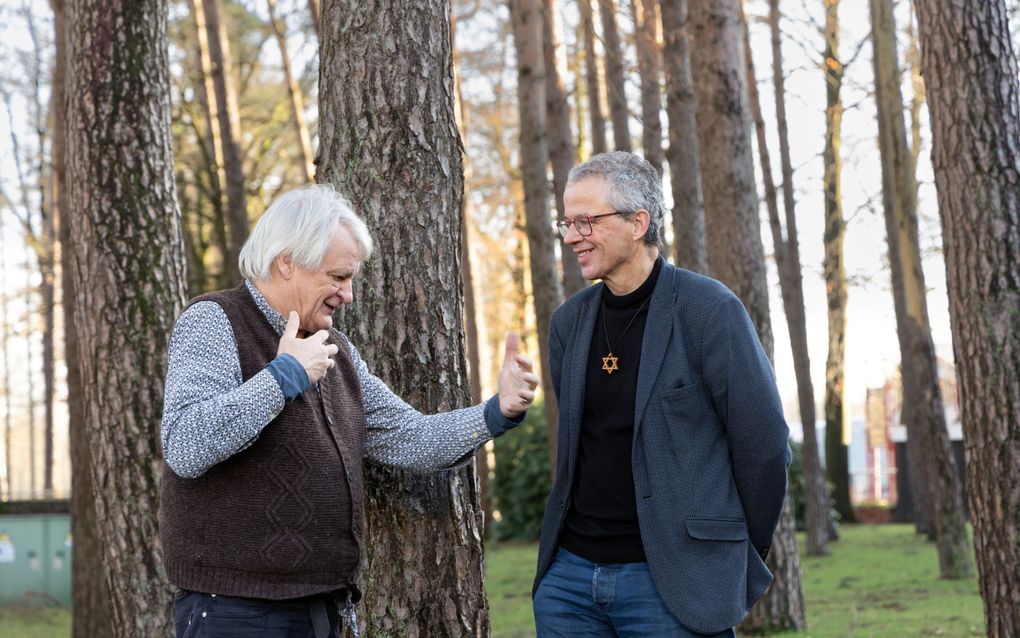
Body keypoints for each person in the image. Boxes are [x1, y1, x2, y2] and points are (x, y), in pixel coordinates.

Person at [159, 185, 538, 638]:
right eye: (338, 277)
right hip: (236, 613)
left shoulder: (337, 351)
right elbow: (185, 444)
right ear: (287, 262)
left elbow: (413, 438)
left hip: (323, 608)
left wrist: (497, 411)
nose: (349, 294)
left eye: (351, 279)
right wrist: (284, 377)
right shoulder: (214, 320)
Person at [532, 152, 791, 637]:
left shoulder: (709, 311)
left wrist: (727, 551)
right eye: (566, 223)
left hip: (674, 585)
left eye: (585, 221)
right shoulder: (569, 323)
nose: (570, 237)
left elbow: (764, 446)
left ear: (638, 222)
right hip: (569, 584)